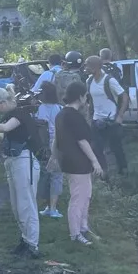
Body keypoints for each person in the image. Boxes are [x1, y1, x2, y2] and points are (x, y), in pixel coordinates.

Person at [0, 88, 42, 257]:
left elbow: (7, 128)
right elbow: (11, 134)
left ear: (3, 102)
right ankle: (25, 238)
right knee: (17, 205)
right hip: (13, 160)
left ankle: (32, 244)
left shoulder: (19, 113)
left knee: (26, 204)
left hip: (25, 160)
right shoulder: (10, 114)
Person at [54, 81, 102, 245]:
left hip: (70, 160)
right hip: (77, 162)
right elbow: (82, 141)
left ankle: (83, 227)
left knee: (86, 195)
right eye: (86, 95)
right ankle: (75, 234)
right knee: (78, 198)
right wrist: (95, 161)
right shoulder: (73, 116)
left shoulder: (62, 114)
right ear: (81, 96)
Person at [85, 56, 128, 176]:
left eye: (87, 65)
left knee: (116, 147)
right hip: (96, 120)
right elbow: (90, 101)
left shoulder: (109, 80)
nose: (85, 68)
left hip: (111, 121)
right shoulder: (89, 81)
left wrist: (120, 116)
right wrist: (89, 116)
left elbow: (124, 97)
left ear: (95, 67)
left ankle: (123, 171)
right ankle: (103, 173)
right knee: (96, 148)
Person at [35, 81, 64, 219]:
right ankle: (53, 207)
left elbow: (41, 127)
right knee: (56, 177)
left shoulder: (41, 108)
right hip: (58, 146)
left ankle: (49, 207)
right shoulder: (59, 108)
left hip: (45, 147)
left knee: (46, 176)